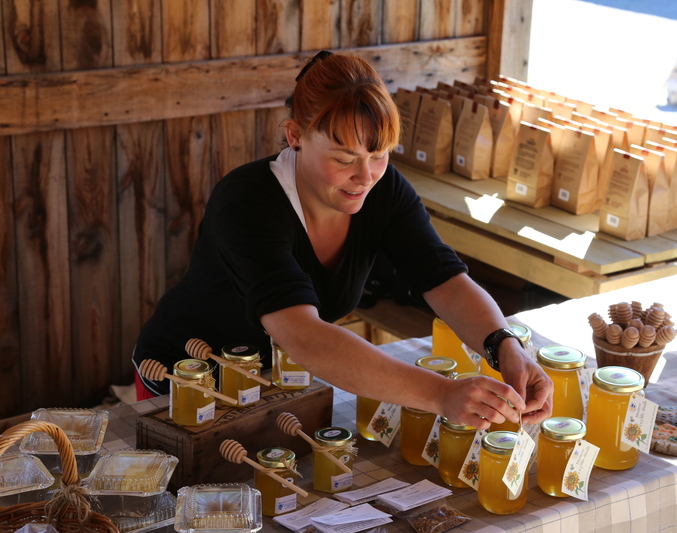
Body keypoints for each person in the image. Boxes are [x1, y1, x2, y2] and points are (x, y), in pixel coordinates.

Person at [132, 51, 554, 429]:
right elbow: (304, 336)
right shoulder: (247, 202)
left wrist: (504, 345)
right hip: (187, 377)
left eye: (379, 154)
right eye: (343, 158)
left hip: (278, 380)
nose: (365, 176)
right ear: (295, 135)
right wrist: (442, 394)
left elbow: (442, 277)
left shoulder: (383, 189)